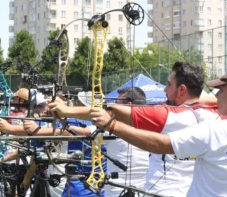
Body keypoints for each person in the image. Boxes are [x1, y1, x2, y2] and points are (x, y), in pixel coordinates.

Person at [49, 62, 221, 196]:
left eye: (169, 84)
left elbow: (112, 111)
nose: (164, 89)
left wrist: (66, 110)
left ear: (182, 89)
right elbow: (208, 100)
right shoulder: (215, 116)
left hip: (161, 192)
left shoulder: (168, 115)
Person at [88, 74, 227, 197]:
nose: (216, 95)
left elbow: (161, 144)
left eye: (221, 89)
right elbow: (199, 97)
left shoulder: (215, 128)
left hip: (163, 191)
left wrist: (112, 125)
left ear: (182, 89)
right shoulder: (213, 118)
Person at [104, 87, 149, 197]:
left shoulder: (114, 127)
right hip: (145, 191)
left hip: (122, 192)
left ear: (128, 105)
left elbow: (84, 132)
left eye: (117, 103)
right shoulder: (155, 127)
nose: (114, 106)